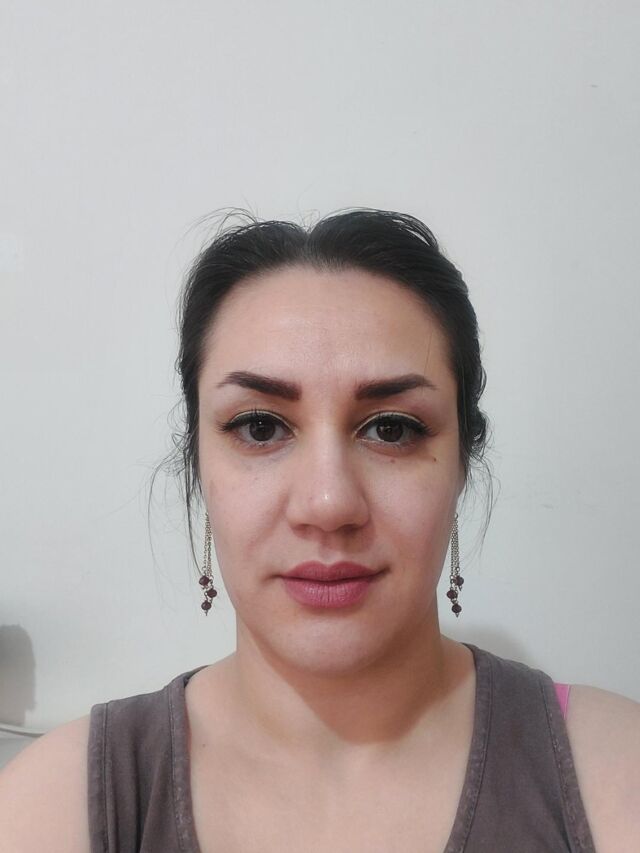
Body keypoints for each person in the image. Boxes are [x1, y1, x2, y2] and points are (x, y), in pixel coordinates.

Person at [1, 208, 638, 852]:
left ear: (462, 467)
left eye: (392, 428)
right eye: (260, 427)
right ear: (197, 463)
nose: (328, 503)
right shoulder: (55, 805)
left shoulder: (612, 775)